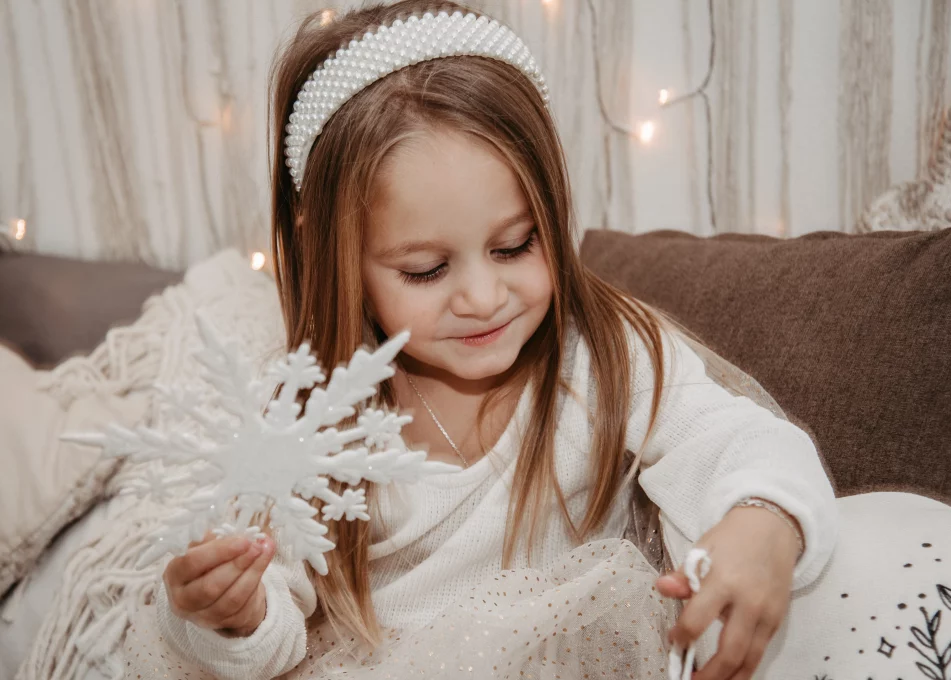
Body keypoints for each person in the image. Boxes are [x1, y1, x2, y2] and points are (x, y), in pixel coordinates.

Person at [126, 2, 838, 678]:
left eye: (515, 246)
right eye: (426, 269)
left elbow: (736, 440)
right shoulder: (317, 417)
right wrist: (235, 614)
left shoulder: (601, 354)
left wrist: (763, 522)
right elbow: (272, 636)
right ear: (340, 259)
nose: (483, 298)